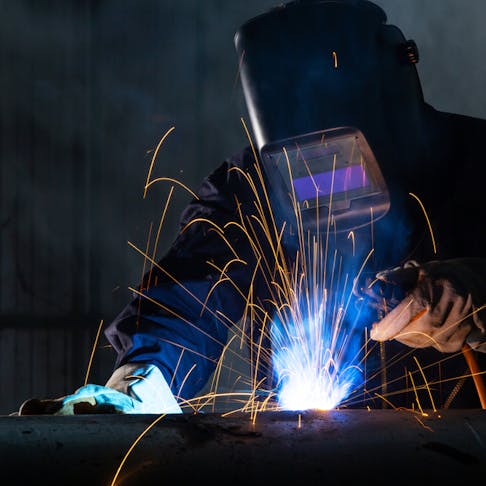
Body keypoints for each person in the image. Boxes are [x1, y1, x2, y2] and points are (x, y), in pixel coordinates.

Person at [19, 0, 486, 415]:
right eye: (303, 160)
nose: (324, 179)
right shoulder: (252, 183)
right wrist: (143, 380)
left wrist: (474, 292)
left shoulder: (475, 161)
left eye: (342, 157)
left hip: (455, 451)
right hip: (300, 456)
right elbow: (189, 288)